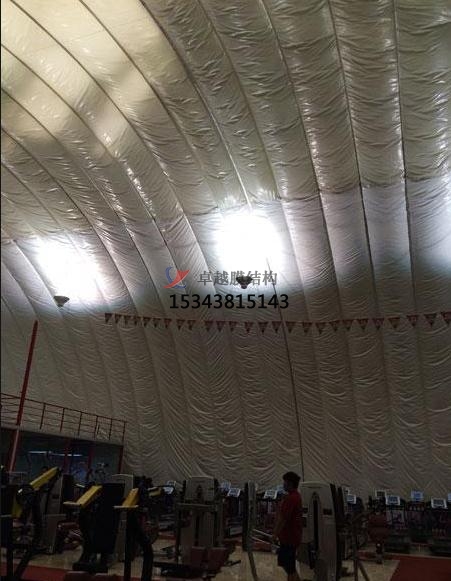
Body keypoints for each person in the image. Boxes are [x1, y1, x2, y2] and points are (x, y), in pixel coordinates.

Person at [273, 471, 302, 581]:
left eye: (284, 482)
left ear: (290, 483)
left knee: (289, 567)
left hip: (289, 538)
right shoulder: (295, 496)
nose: (283, 484)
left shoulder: (291, 499)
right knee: (289, 566)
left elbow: (283, 519)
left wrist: (275, 534)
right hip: (291, 537)